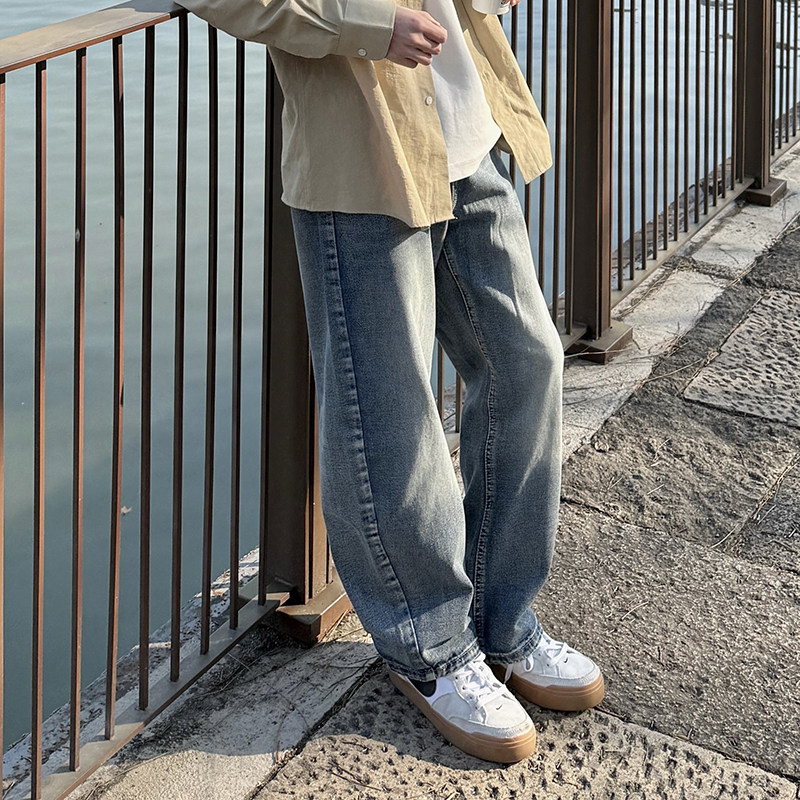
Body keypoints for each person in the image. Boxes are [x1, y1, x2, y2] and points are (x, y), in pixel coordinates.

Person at [179, 0, 605, 763]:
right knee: (391, 411)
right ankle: (428, 646)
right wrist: (368, 24)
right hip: (363, 158)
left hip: (466, 137)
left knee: (529, 362)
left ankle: (501, 623)